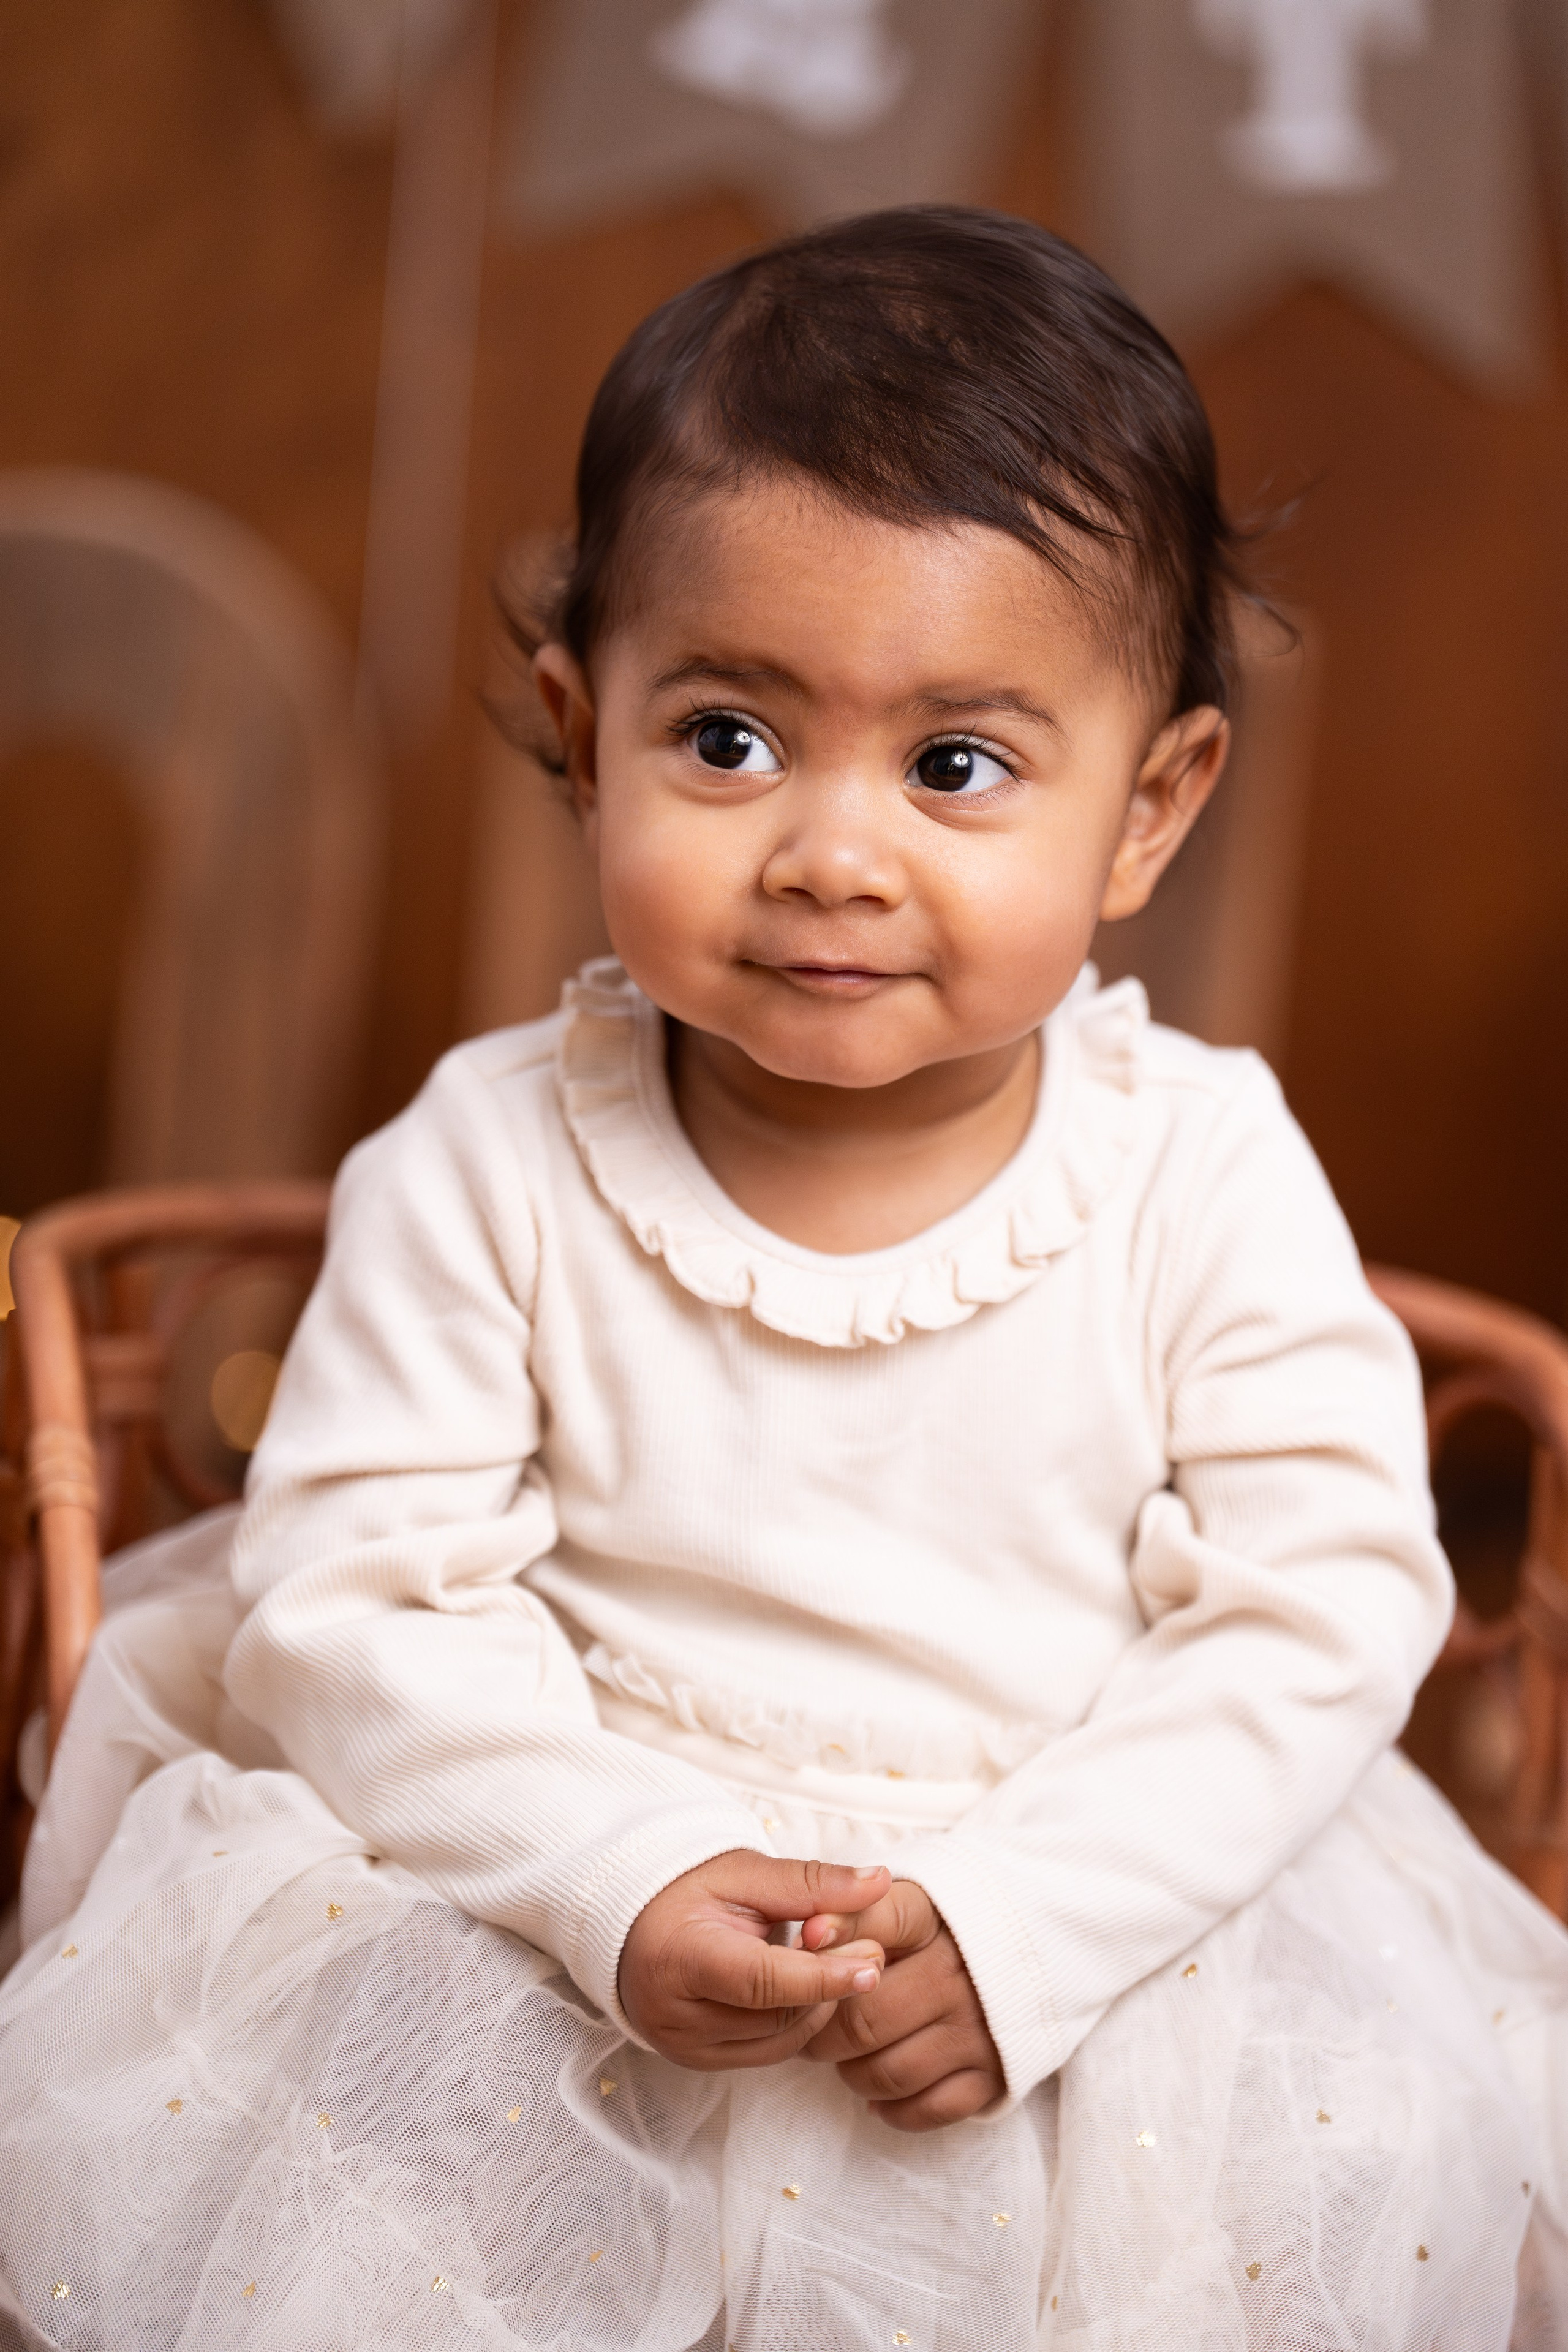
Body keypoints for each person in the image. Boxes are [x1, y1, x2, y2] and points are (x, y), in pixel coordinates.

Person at [1, 206, 1564, 2352]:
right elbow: (354, 1597)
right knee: (378, 2180)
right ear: (580, 731)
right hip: (557, 1899)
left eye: (955, 766)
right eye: (728, 738)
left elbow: (1323, 1612)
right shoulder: (487, 1160)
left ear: (1148, 809)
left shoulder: (1199, 1169)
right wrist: (605, 1870)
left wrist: (1032, 1924)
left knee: (1343, 2157)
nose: (832, 848)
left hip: (1078, 1911)